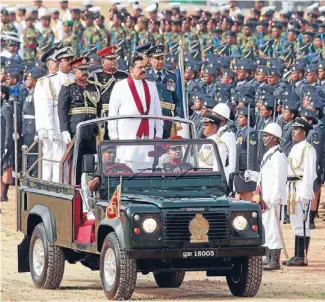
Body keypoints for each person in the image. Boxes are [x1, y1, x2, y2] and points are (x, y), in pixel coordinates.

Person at [108, 55, 163, 171]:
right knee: (127, 172)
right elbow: (112, 113)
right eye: (140, 67)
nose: (143, 70)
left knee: (146, 173)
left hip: (146, 140)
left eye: (144, 67)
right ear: (131, 69)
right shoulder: (120, 87)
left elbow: (157, 112)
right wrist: (114, 135)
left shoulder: (151, 86)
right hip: (126, 140)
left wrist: (159, 133)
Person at [58, 56, 101, 184]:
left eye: (85, 69)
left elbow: (98, 109)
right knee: (76, 161)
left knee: (91, 161)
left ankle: (89, 188)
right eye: (80, 69)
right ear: (73, 71)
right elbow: (62, 110)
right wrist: (64, 130)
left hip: (92, 130)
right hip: (76, 131)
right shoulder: (68, 87)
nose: (84, 72)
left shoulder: (94, 87)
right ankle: (75, 188)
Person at [34, 46, 74, 183]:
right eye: (54, 61)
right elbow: (41, 107)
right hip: (51, 124)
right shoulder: (45, 81)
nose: (56, 64)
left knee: (61, 158)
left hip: (65, 122)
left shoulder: (68, 77)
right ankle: (48, 183)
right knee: (49, 157)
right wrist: (42, 127)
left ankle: (61, 184)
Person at [283, 117, 317, 266]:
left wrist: (306, 192)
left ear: (303, 132)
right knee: (295, 222)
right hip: (291, 188)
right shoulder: (295, 147)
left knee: (303, 223)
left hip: (301, 186)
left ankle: (302, 256)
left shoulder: (308, 149)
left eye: (296, 130)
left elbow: (310, 173)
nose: (293, 132)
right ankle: (296, 255)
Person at [255, 123, 288, 270]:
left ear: (275, 138)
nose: (264, 138)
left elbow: (280, 178)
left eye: (267, 135)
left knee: (275, 228)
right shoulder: (269, 153)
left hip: (274, 198)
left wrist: (276, 197)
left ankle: (274, 260)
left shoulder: (279, 155)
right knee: (267, 227)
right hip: (265, 197)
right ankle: (268, 256)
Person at [146, 45, 183, 138]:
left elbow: (176, 99)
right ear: (150, 60)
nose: (160, 61)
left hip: (167, 119)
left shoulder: (171, 76)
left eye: (162, 58)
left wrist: (177, 116)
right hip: (150, 118)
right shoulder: (145, 75)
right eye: (157, 58)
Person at [91, 46, 128, 117]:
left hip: (121, 112)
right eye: (110, 59)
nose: (113, 61)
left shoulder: (124, 75)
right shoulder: (96, 76)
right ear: (103, 61)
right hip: (105, 113)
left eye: (114, 58)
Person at [234, 106, 258, 201]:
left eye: (241, 117)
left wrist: (250, 170)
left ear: (248, 119)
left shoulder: (251, 133)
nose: (238, 119)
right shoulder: (240, 131)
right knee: (239, 195)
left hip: (245, 170)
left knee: (247, 196)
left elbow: (251, 153)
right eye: (238, 117)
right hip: (239, 169)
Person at [212, 103, 237, 181]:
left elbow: (232, 161)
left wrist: (230, 182)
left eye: (214, 115)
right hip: (214, 174)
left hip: (224, 177)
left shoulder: (229, 135)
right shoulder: (215, 133)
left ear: (222, 118)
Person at [0, 84, 13, 202]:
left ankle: (4, 194)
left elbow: (9, 127)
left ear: (3, 94)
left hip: (4, 142)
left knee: (6, 166)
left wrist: (6, 145)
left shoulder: (6, 107)